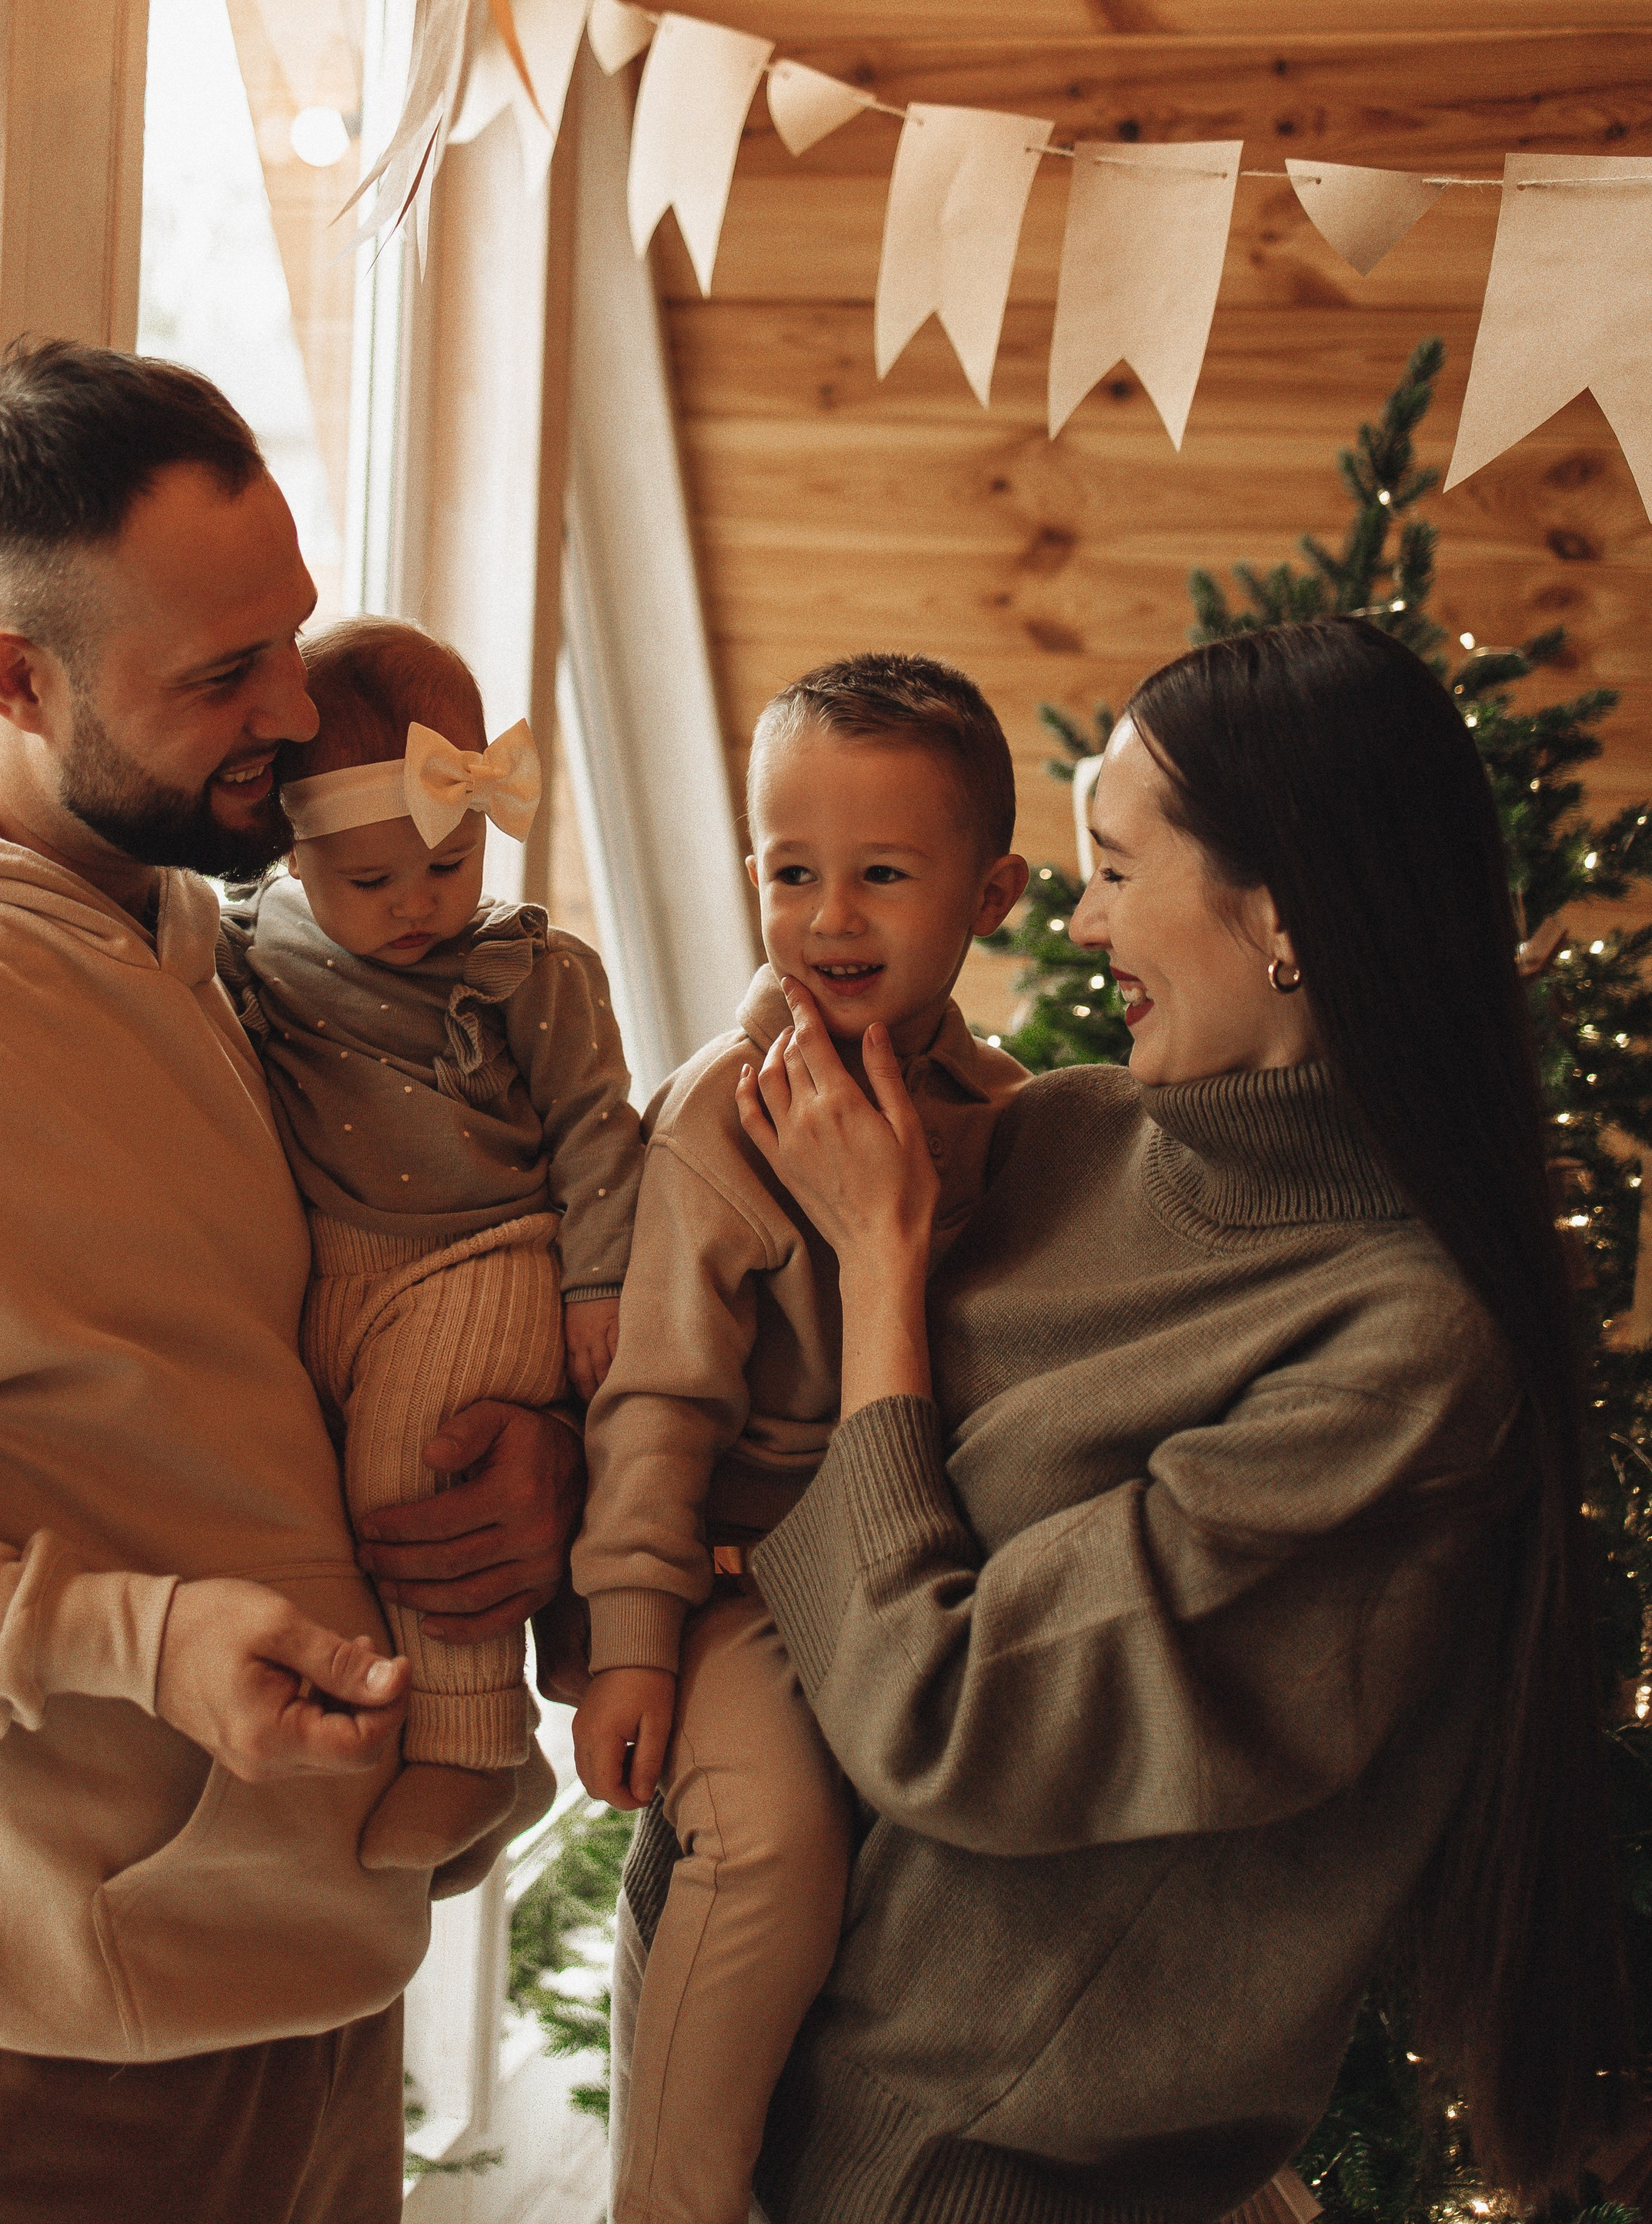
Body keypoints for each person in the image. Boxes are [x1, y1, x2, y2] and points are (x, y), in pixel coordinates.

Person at [0, 341, 580, 2224]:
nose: (302, 709)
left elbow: (276, 1341)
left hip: (313, 1982)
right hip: (41, 2064)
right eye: (219, 676)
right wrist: (128, 1642)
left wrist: (527, 1461)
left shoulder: (201, 925)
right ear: (14, 677)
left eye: (292, 636)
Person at [671, 615, 1629, 2223]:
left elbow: (950, 1718)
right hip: (735, 2048)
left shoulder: (1402, 1355)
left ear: (1275, 917)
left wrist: (879, 1275)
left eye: (1113, 866)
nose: (1073, 913)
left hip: (953, 2176)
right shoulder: (1066, 1136)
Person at [572, 653, 1030, 2224]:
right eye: (789, 872)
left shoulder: (1018, 1116)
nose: (828, 918)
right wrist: (632, 1640)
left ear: (992, 895)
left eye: (881, 877)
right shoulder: (720, 1120)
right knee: (764, 1846)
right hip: (744, 1594)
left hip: (924, 1591)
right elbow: (653, 1404)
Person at [216, 616, 642, 1875]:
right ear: (293, 852)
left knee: (417, 1478)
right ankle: (488, 1705)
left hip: (487, 1257)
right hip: (337, 1273)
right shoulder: (248, 943)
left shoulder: (526, 970)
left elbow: (599, 1129)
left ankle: (474, 1750)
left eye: (451, 864)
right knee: (328, 1509)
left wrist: (601, 1282)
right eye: (369, 882)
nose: (416, 907)